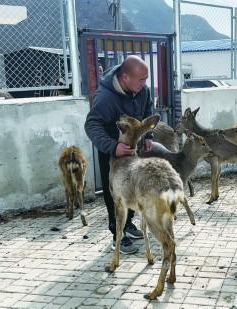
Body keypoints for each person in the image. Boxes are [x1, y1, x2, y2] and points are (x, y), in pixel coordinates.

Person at [84, 55, 155, 254]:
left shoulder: (142, 90)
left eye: (146, 79)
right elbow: (92, 124)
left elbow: (148, 109)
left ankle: (129, 224)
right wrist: (113, 146)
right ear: (125, 78)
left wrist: (148, 135)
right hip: (111, 151)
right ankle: (118, 234)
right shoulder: (106, 97)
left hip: (133, 149)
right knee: (115, 193)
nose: (145, 84)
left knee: (133, 186)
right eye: (141, 80)